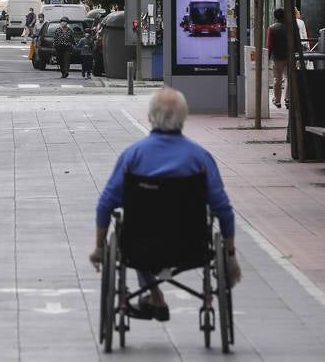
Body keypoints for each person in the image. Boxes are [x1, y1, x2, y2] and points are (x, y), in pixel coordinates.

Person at [90, 88, 240, 321]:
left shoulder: (132, 156)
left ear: (150, 118)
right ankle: (157, 295)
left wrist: (100, 247)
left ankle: (153, 293)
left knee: (137, 228)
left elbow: (105, 204)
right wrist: (230, 253)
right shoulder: (200, 158)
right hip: (191, 247)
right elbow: (223, 208)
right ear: (184, 118)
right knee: (150, 230)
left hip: (139, 247)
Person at [266, 7, 288, 108]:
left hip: (277, 57)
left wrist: (267, 57)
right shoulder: (292, 27)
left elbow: (269, 45)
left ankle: (277, 100)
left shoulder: (272, 28)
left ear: (275, 16)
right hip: (290, 56)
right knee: (289, 78)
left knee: (277, 79)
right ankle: (287, 99)